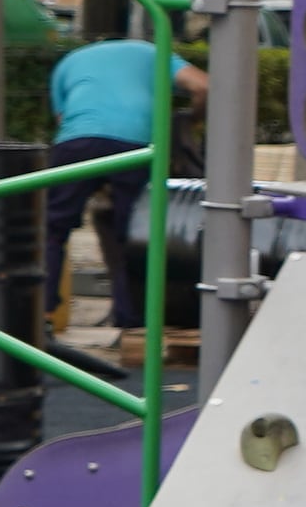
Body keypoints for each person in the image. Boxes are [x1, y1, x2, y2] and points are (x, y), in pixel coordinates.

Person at [41, 31, 203, 324]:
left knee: (52, 228)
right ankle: (132, 318)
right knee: (134, 233)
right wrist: (193, 119)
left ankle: (43, 312)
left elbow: (63, 120)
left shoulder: (70, 61)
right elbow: (203, 86)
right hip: (135, 147)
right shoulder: (153, 52)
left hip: (77, 141)